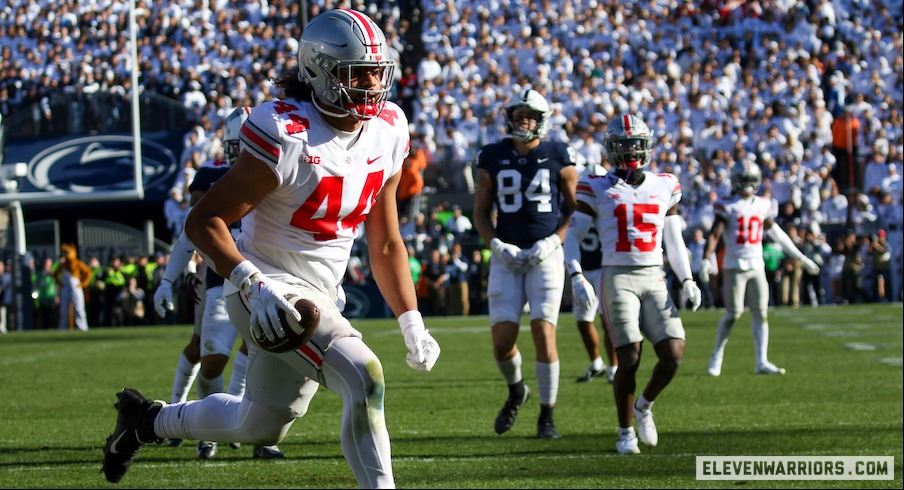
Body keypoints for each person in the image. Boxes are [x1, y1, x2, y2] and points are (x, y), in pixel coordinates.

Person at [102, 10, 440, 489]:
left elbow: (384, 240)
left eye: (375, 71)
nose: (370, 84)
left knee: (258, 423)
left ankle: (146, 421)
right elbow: (205, 221)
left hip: (321, 292)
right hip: (266, 287)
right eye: (355, 73)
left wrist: (412, 322)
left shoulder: (389, 127)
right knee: (364, 377)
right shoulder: (285, 130)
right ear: (318, 71)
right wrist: (250, 283)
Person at [563, 113, 702, 455]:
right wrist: (577, 275)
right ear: (610, 149)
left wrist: (687, 278)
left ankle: (643, 406)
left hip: (654, 275)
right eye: (622, 145)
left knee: (673, 354)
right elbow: (572, 237)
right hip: (617, 275)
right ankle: (625, 432)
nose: (629, 151)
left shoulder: (665, 183)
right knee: (629, 357)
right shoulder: (595, 185)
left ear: (647, 145)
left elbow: (674, 239)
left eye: (635, 144)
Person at [153, 107, 284, 460]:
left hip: (270, 279)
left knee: (268, 357)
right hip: (220, 282)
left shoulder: (278, 174)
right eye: (233, 146)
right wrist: (168, 279)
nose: (237, 153)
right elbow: (190, 232)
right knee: (212, 361)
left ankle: (257, 435)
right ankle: (206, 426)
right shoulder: (210, 177)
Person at [473, 88, 578, 439]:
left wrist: (553, 241)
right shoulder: (492, 155)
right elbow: (481, 212)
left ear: (541, 121)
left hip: (545, 254)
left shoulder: (558, 153)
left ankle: (547, 415)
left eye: (529, 116)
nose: (524, 121)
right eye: (519, 116)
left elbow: (574, 209)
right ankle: (517, 389)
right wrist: (496, 245)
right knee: (502, 342)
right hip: (508, 255)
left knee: (543, 331)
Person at [704, 160, 820, 377]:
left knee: (761, 313)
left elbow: (777, 234)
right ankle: (717, 355)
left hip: (756, 264)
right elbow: (714, 234)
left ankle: (762, 361)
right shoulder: (726, 204)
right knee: (733, 314)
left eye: (751, 180)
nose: (748, 184)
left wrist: (801, 257)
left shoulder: (763, 204)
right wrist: (706, 258)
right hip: (734, 265)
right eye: (744, 180)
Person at [569, 162, 618, 384]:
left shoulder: (610, 208)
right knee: (582, 320)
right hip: (583, 268)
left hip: (602, 268)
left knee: (607, 320)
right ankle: (596, 362)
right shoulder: (577, 207)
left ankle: (614, 366)